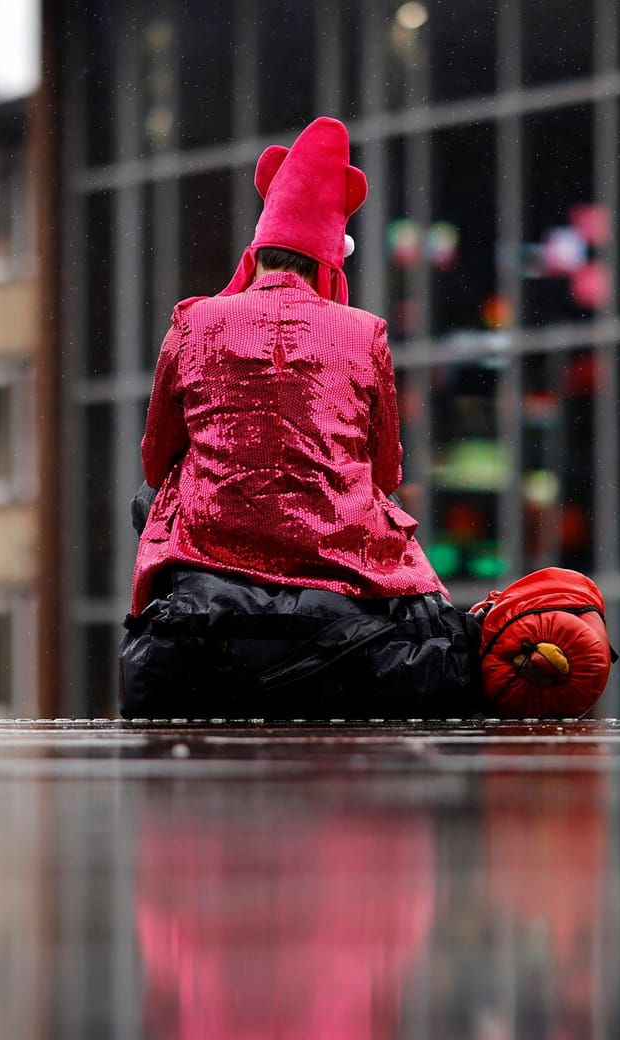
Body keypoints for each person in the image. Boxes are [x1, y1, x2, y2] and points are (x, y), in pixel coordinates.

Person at [119, 116, 483, 720]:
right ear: (328, 264)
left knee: (156, 491)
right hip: (336, 577)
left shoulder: (193, 322)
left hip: (205, 577)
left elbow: (156, 458)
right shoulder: (365, 333)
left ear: (258, 252)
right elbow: (386, 471)